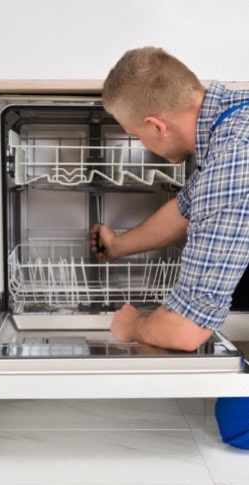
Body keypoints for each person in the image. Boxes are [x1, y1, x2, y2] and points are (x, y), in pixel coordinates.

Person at [90, 46, 249, 449]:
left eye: (136, 136)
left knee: (237, 423)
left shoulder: (234, 158)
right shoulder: (231, 119)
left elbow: (183, 332)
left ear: (156, 125)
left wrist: (133, 326)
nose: (143, 145)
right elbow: (186, 209)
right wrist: (118, 246)